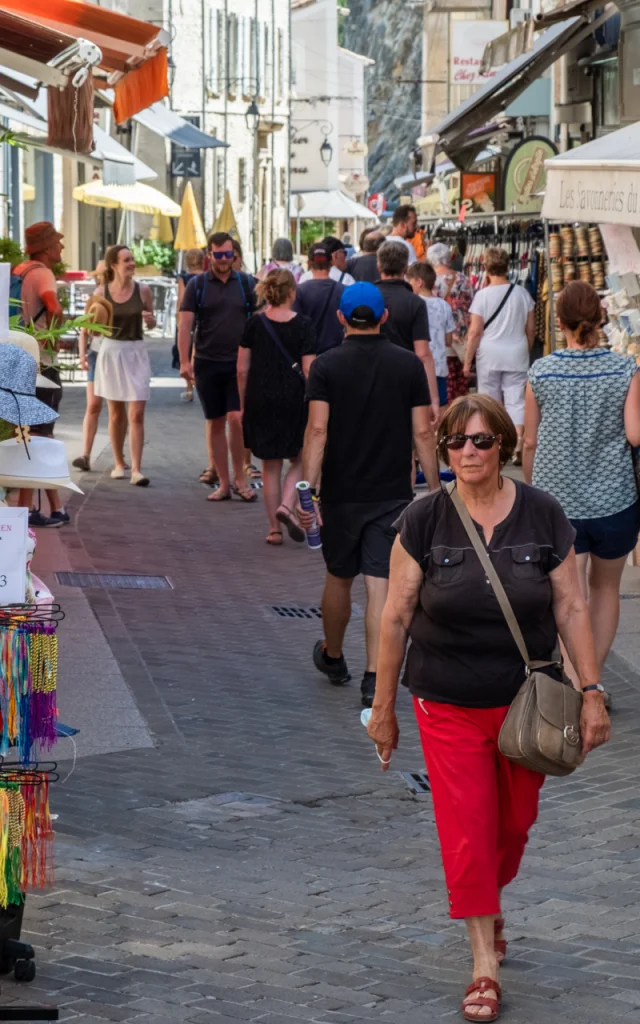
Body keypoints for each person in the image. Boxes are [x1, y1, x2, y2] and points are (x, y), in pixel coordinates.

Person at [367, 394, 610, 1022]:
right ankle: (483, 962)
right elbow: (394, 617)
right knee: (468, 830)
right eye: (455, 443)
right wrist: (383, 706)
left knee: (513, 826)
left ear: (503, 443)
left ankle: (489, 903)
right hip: (444, 698)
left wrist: (592, 690)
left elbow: (572, 607)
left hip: (528, 701)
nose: (467, 453)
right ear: (443, 450)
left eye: (480, 441)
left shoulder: (543, 513)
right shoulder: (422, 521)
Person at [299, 283, 439, 708]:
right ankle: (373, 677)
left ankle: (334, 656)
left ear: (341, 319)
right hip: (392, 492)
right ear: (383, 318)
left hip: (342, 491)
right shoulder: (409, 366)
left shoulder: (324, 366)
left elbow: (318, 431)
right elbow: (422, 432)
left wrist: (310, 492)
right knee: (380, 583)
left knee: (339, 575)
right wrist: (434, 490)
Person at [524, 280, 640, 703]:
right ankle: (595, 681)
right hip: (614, 501)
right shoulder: (625, 370)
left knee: (568, 595)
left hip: (559, 505)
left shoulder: (541, 372)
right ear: (601, 319)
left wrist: (531, 490)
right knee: (606, 589)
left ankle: (575, 680)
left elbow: (530, 441)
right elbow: (634, 434)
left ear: (559, 322)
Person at [237, 270, 316, 545]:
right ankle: (287, 503)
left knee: (269, 466)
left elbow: (241, 369)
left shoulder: (254, 324)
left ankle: (274, 529)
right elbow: (308, 369)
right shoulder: (304, 325)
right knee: (301, 457)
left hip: (260, 398)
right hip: (294, 400)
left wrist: (243, 401)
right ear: (292, 292)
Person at [179, 231, 258, 503]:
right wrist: (184, 361)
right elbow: (185, 325)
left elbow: (260, 323)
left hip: (239, 365)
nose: (223, 261)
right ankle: (224, 483)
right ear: (209, 255)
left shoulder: (247, 284)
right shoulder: (197, 286)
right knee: (215, 422)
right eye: (218, 255)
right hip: (207, 362)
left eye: (228, 255)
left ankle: (240, 478)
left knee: (237, 419)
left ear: (234, 256)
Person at [13, 222, 67, 527]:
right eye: (58, 243)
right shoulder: (44, 273)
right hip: (41, 364)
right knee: (39, 438)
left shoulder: (19, 271)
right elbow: (53, 305)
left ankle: (55, 507)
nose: (61, 248)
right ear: (46, 248)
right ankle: (27, 510)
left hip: (18, 359)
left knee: (29, 434)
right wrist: (53, 337)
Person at [464, 247, 535, 464]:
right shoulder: (523, 294)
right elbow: (530, 329)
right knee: (516, 400)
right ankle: (518, 442)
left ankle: (495, 444)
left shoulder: (482, 296)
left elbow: (475, 332)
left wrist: (467, 361)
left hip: (489, 355)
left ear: (484, 267)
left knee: (490, 400)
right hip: (516, 351)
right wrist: (526, 349)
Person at [93, 245, 156, 487]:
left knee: (137, 413)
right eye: (126, 260)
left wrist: (151, 321)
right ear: (114, 265)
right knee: (116, 413)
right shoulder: (101, 292)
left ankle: (137, 469)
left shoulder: (144, 291)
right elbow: (94, 328)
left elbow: (151, 323)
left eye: (132, 259)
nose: (131, 263)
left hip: (136, 352)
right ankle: (119, 463)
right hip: (112, 352)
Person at [376, 241, 439, 424]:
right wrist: (433, 399)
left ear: (379, 265)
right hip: (405, 379)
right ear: (405, 268)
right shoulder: (415, 302)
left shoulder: (369, 296)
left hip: (370, 376)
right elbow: (423, 354)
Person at [428, 241, 474, 404]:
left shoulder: (429, 282)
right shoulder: (463, 279)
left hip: (440, 339)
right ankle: (460, 421)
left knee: (444, 388)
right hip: (461, 340)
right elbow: (471, 307)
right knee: (460, 388)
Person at [74, 260, 109, 473]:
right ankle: (86, 454)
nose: (99, 279)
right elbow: (84, 329)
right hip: (97, 353)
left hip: (115, 354)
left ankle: (120, 457)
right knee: (93, 405)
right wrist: (82, 355)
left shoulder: (125, 293)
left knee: (116, 409)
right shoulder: (97, 296)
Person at [407, 261, 455, 414]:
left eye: (410, 282)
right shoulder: (444, 306)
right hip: (439, 366)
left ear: (419, 282)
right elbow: (449, 341)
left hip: (416, 367)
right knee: (440, 411)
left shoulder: (412, 304)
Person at [293, 242, 346, 354]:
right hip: (338, 356)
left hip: (309, 357)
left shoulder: (299, 291)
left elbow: (296, 327)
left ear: (309, 263)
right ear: (331, 262)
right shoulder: (345, 290)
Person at [174, 249, 205, 405]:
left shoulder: (184, 279)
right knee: (199, 348)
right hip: (204, 315)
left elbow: (181, 299)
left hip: (188, 315)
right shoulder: (207, 277)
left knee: (187, 348)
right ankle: (201, 384)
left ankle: (189, 388)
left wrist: (177, 316)